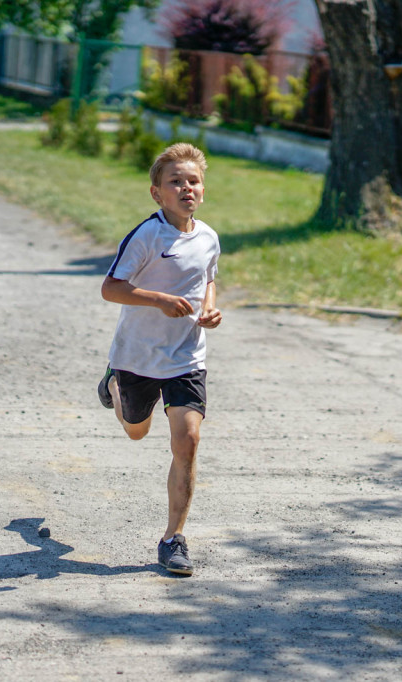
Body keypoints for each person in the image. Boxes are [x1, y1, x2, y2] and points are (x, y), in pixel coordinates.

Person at [98, 143, 222, 576]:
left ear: (202, 191)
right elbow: (111, 288)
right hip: (136, 356)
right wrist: (159, 300)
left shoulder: (208, 237)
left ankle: (173, 539)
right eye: (176, 181)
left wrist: (209, 308)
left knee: (187, 441)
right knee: (136, 432)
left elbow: (208, 278)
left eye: (193, 181)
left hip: (186, 356)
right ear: (157, 193)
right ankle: (113, 385)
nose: (186, 187)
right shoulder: (146, 236)